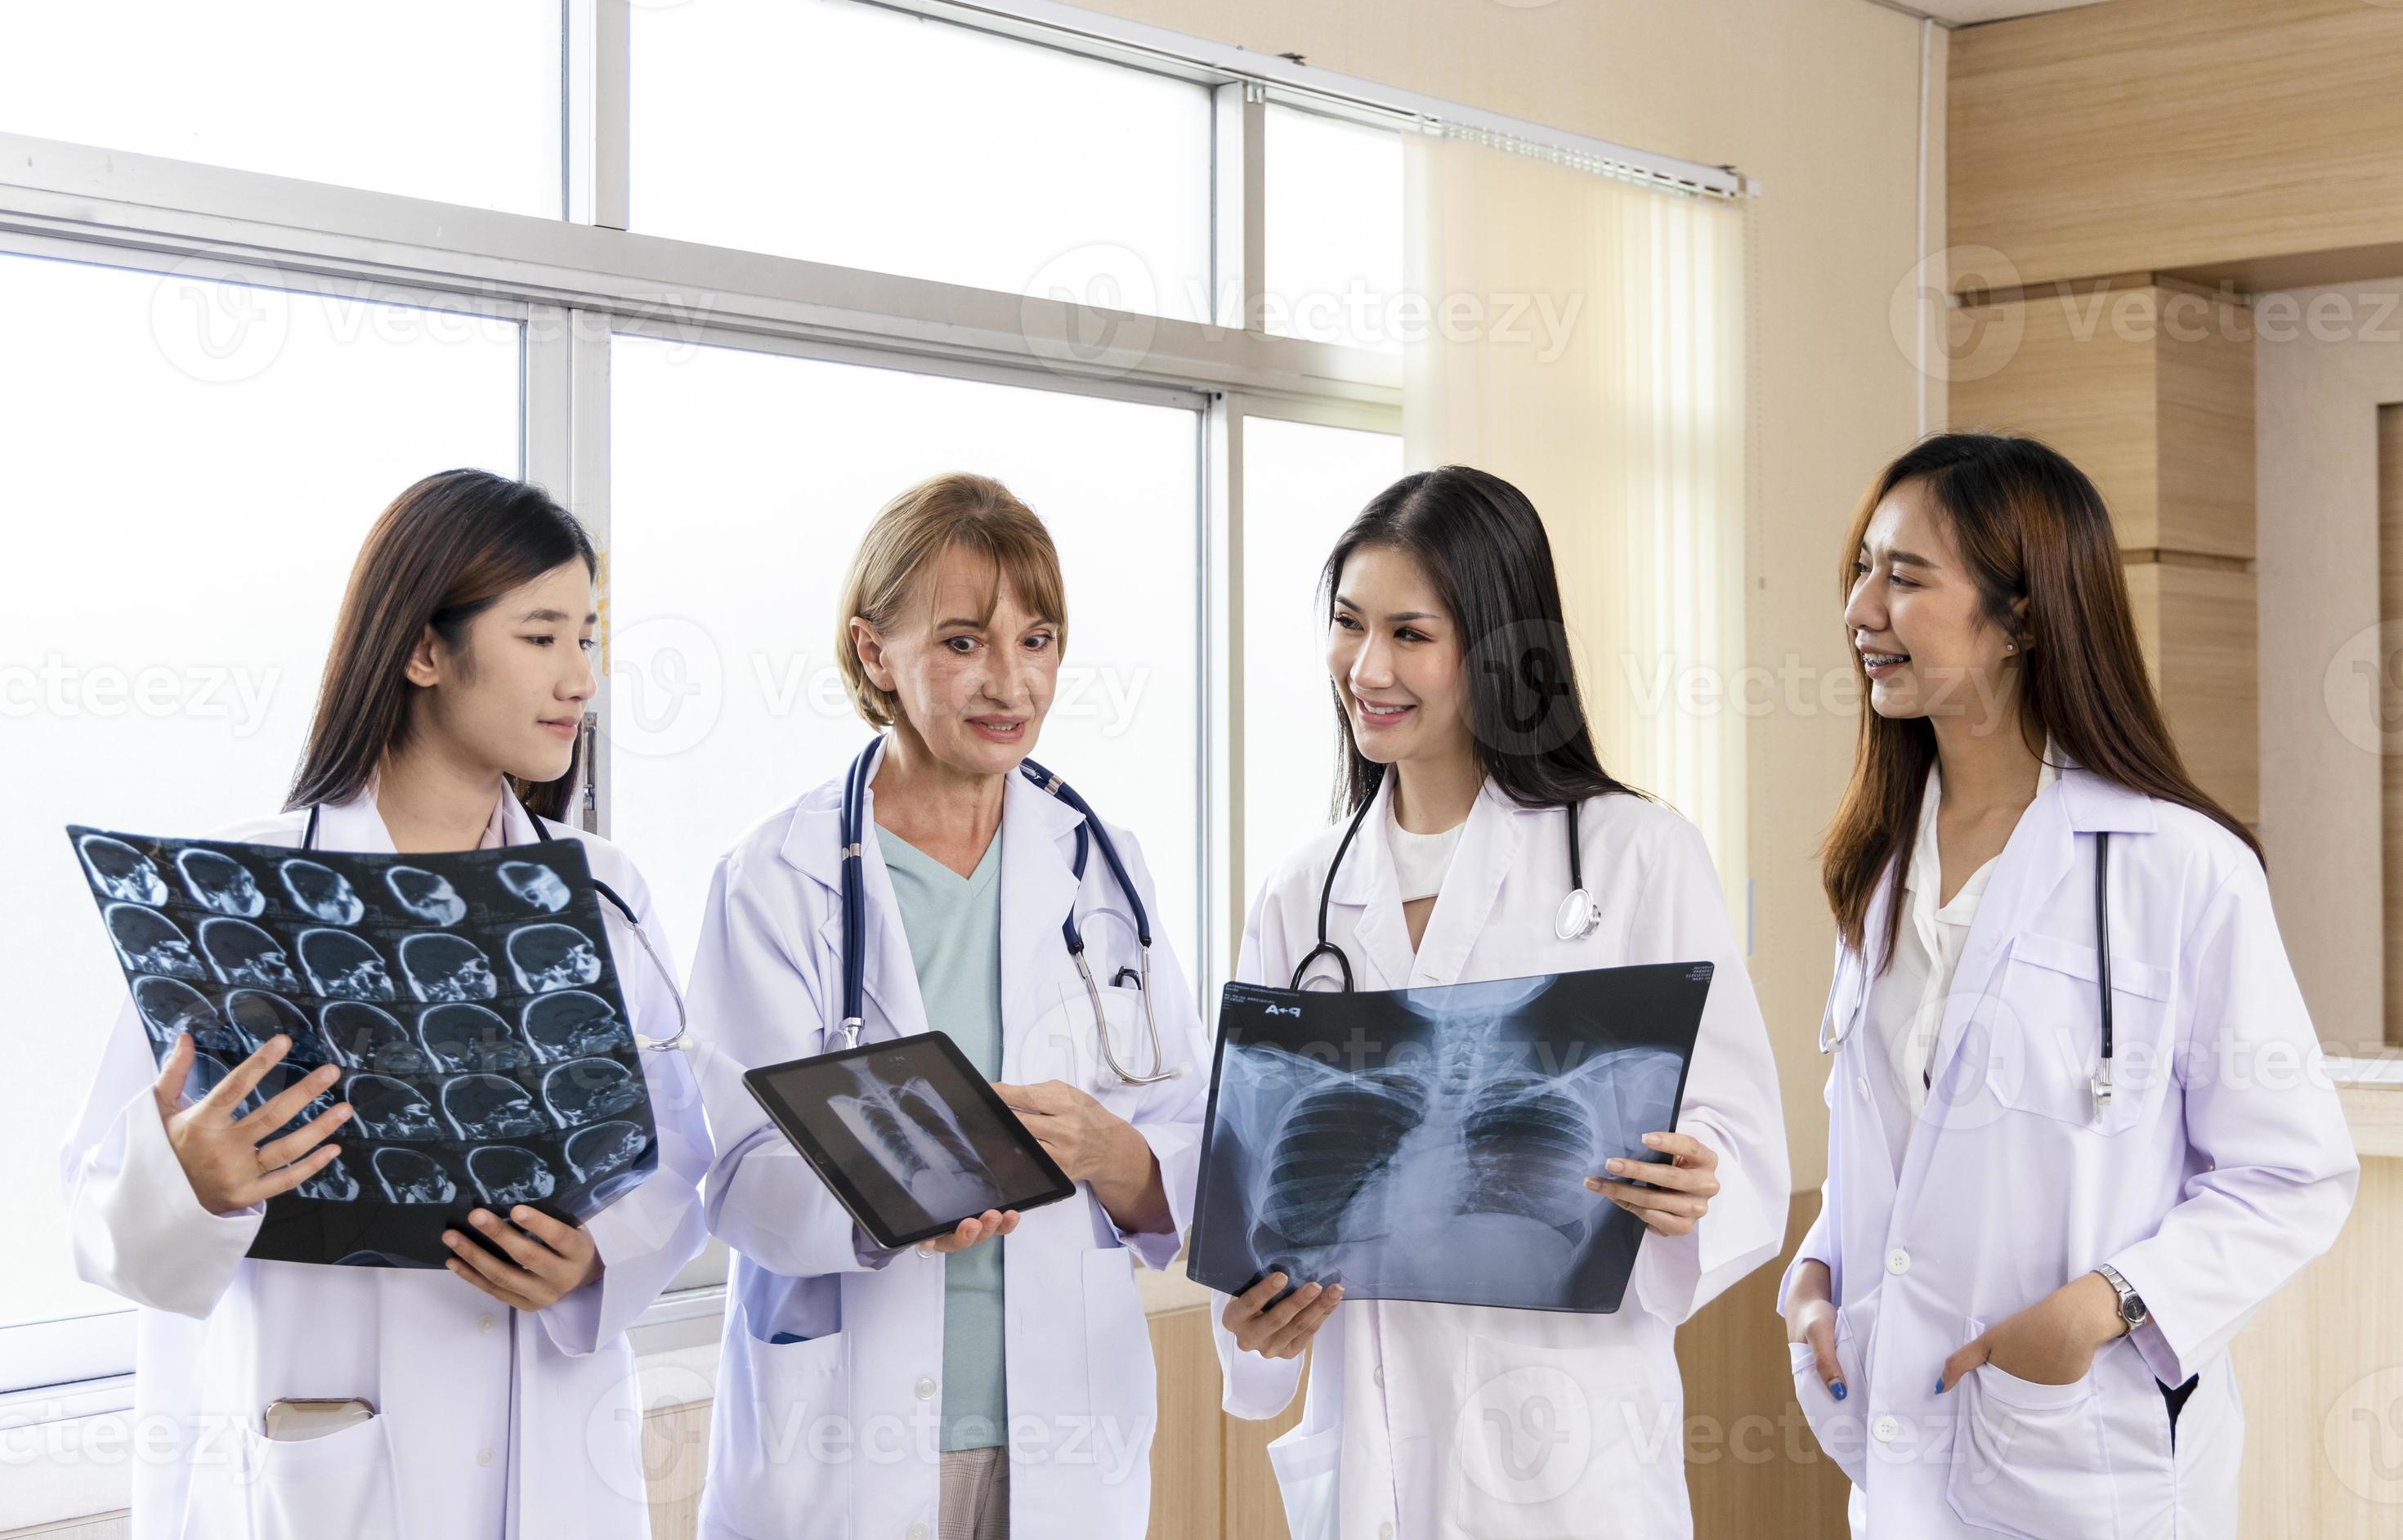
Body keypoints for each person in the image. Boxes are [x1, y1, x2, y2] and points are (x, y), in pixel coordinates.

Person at [58, 469, 713, 1539]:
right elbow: (97, 1211)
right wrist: (193, 1181)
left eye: (589, 639)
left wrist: (601, 1258)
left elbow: (678, 1148)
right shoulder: (236, 897)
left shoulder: (600, 888)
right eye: (543, 638)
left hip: (551, 1445)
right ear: (423, 651)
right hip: (324, 1449)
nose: (581, 678)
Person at [1780, 432, 2360, 1538]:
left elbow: (2292, 1172)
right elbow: (1892, 1147)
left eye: (1904, 577)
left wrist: (2100, 1311)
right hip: (1897, 1457)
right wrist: (1811, 1281)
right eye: (1861, 568)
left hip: (2084, 1464)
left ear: (2023, 615)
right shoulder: (1880, 866)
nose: (1861, 609)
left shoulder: (2178, 867)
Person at [1214, 465, 1789, 1540]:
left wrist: (1699, 1177)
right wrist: (1256, 1312)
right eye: (1349, 625)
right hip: (1375, 1448)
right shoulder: (1303, 890)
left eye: (1411, 634)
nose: (1368, 668)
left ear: (1497, 651)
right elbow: (1252, 1182)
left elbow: (1744, 1130)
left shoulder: (1633, 855)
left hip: (1570, 1456)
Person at [687, 473, 1210, 1540]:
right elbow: (735, 1177)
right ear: (875, 653)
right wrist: (894, 1197)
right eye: (963, 642)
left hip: (1062, 1423)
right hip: (847, 1436)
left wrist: (1115, 1153)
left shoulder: (1104, 870)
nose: (1009, 681)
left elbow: (1189, 1136)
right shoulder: (774, 877)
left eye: (1038, 638)